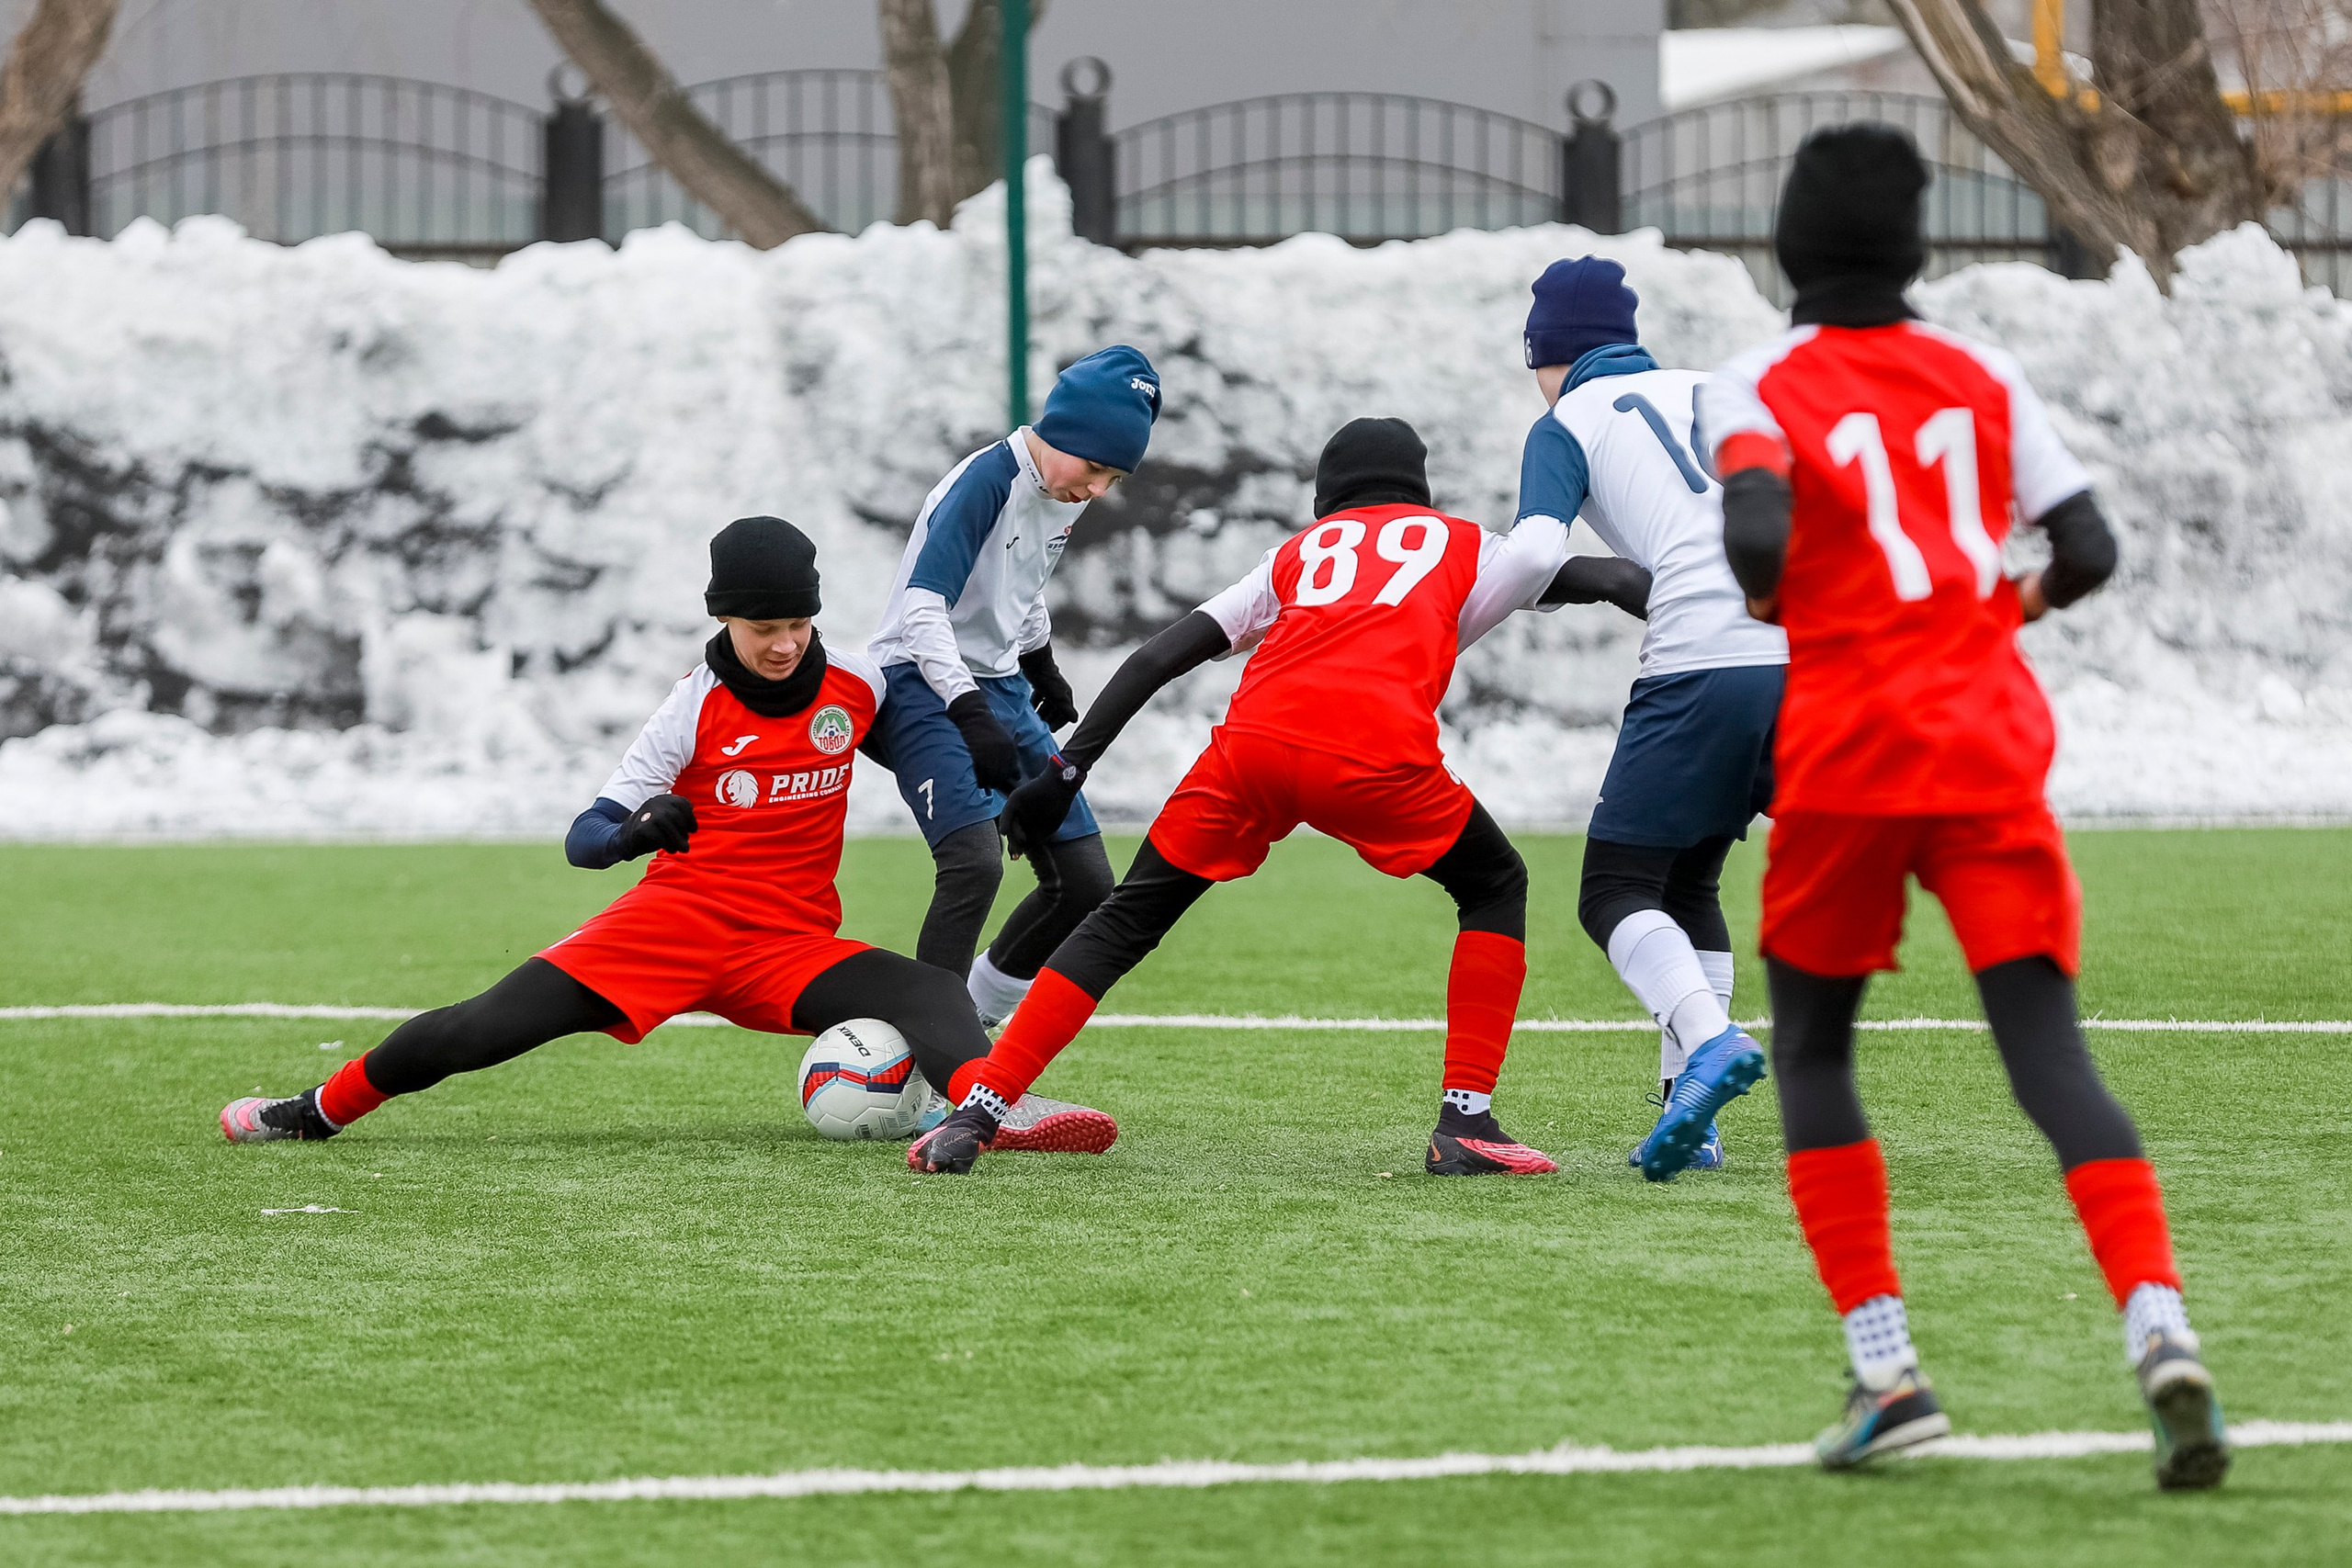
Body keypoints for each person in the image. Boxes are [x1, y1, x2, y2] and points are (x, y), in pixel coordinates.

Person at [1697, 124, 2226, 1488]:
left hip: (1849, 757)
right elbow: (2088, 547)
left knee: (1815, 1053)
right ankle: (2158, 1325)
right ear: (1917, 246)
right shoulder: (1984, 373)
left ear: (1788, 247)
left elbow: (1755, 534)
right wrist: (1999, 609)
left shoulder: (1760, 382)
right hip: (1987, 744)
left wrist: (1783, 591)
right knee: (2052, 1059)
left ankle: (1887, 1371)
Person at [220, 516, 1114, 1154]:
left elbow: (930, 750)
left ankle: (985, 1110)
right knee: (475, 1029)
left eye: (798, 625)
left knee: (928, 990)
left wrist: (997, 783)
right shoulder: (692, 707)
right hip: (667, 930)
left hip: (787, 946)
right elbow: (584, 836)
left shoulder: (859, 683)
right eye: (764, 629)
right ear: (723, 616)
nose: (784, 645)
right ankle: (317, 1109)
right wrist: (635, 832)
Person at [903, 417, 1651, 1178]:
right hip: (1372, 750)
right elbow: (1614, 580)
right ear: (1418, 491)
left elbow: (1158, 656)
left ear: (1327, 499)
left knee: (1125, 918)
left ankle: (978, 1111)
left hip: (1252, 749)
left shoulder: (1299, 552)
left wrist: (1067, 771)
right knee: (1494, 883)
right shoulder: (1465, 542)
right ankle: (1465, 1122)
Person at [1515, 255, 1790, 1179]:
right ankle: (1690, 1115)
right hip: (1805, 649)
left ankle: (1709, 1042)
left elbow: (1533, 554)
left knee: (1614, 890)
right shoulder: (1724, 392)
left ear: (1544, 354)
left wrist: (1466, 612)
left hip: (1703, 661)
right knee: (1688, 878)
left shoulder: (1567, 418)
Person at [864, 347, 1160, 1030]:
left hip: (998, 685)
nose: (1098, 490)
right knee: (974, 865)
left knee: (1085, 883)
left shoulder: (1060, 486)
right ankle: (935, 1055)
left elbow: (1022, 582)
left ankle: (973, 1014)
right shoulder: (986, 482)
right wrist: (969, 711)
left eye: (1114, 478)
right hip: (920, 681)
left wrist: (1040, 662)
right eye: (1096, 470)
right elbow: (921, 611)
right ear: (1064, 432)